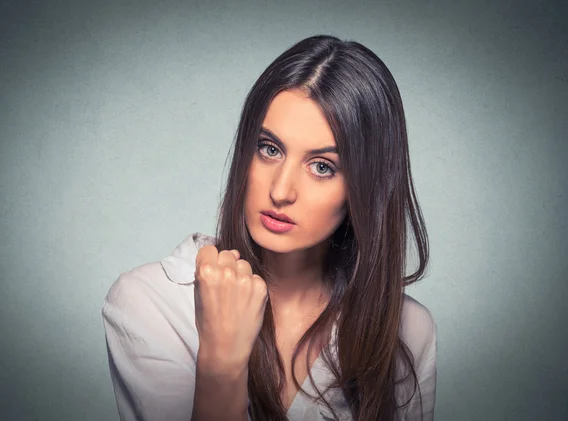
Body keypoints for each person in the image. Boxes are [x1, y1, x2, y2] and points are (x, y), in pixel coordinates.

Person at [102, 35, 437, 421]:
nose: (280, 191)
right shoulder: (151, 302)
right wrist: (222, 361)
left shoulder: (409, 330)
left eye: (322, 167)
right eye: (270, 149)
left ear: (365, 188)